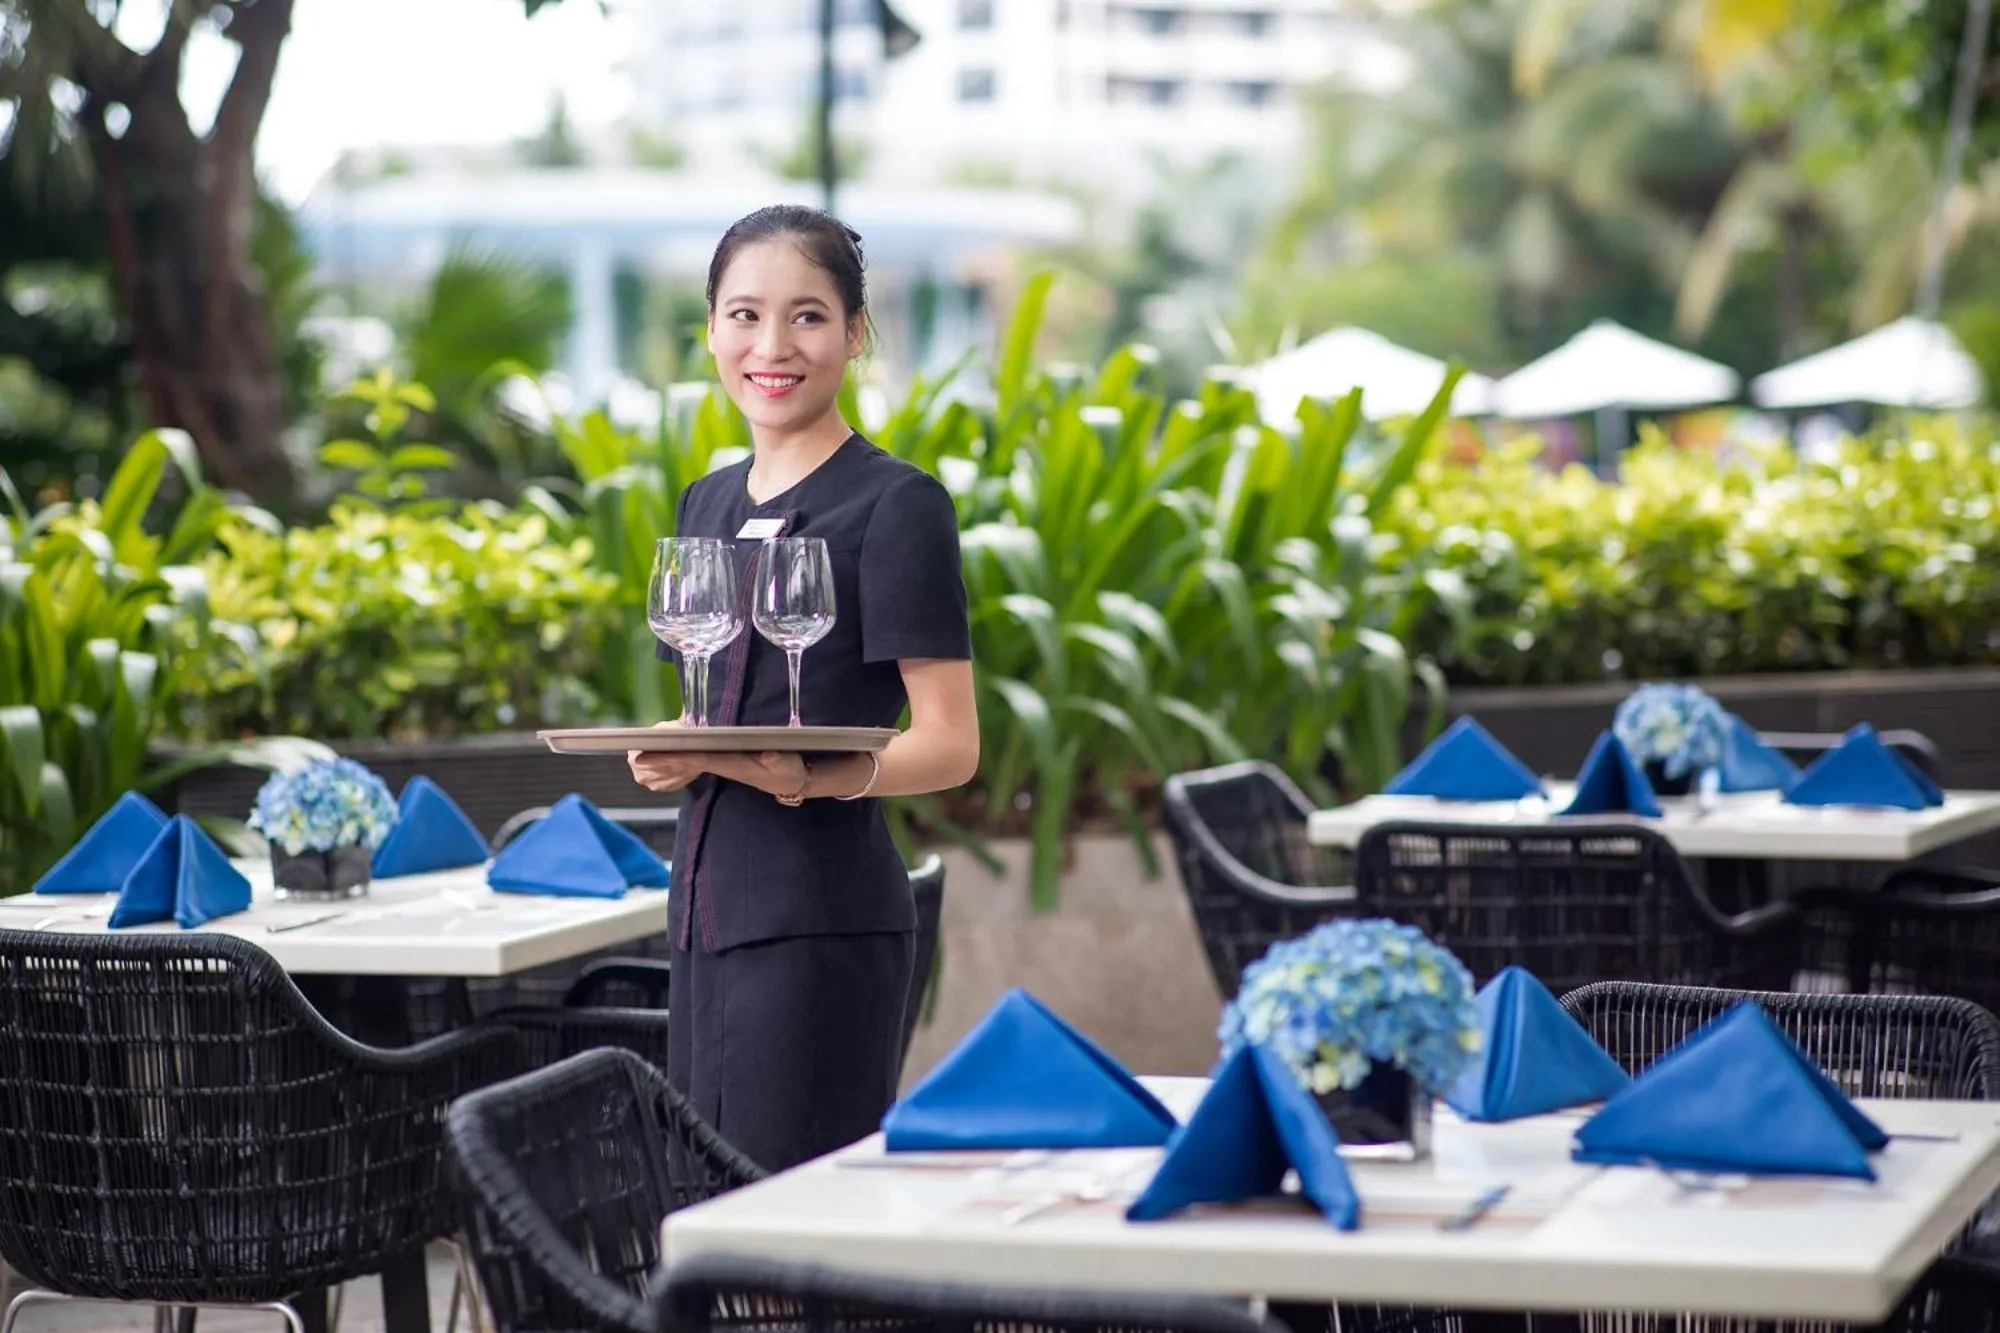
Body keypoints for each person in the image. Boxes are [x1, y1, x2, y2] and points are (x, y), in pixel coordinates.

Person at [627, 205, 979, 1172]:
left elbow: (950, 742)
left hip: (818, 918)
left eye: (808, 317)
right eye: (744, 315)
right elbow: (716, 713)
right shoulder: (708, 499)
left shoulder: (897, 505)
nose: (771, 346)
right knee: (709, 1221)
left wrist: (809, 777)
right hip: (703, 910)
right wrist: (678, 742)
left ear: (856, 333)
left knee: (785, 1248)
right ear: (710, 329)